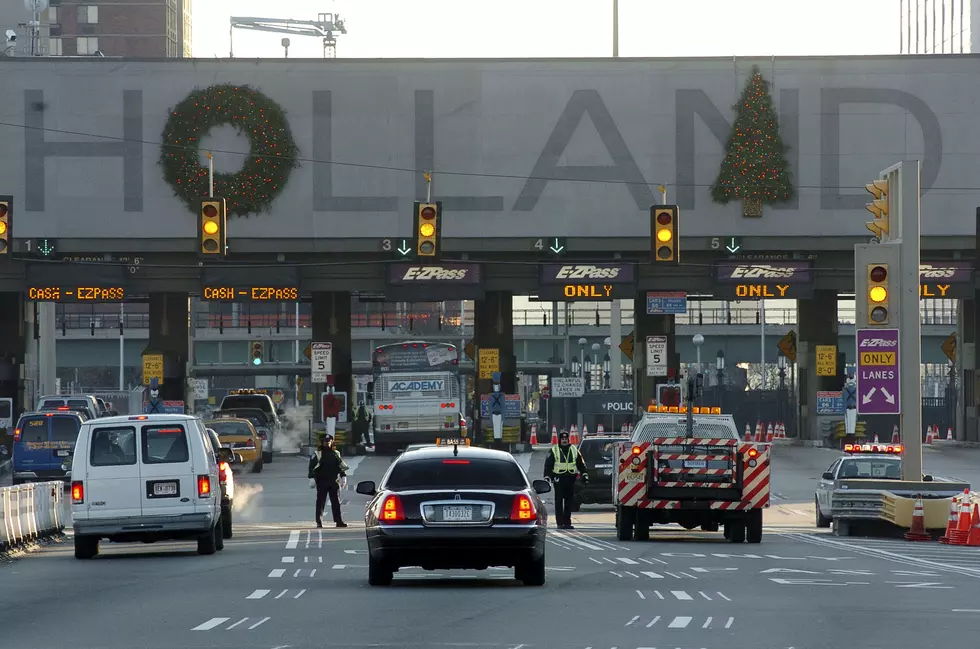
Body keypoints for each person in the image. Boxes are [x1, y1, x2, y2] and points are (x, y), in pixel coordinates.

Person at [543, 431, 588, 530]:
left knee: (569, 502)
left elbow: (580, 463)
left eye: (566, 439)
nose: (564, 441)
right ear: (560, 440)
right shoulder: (554, 450)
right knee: (559, 502)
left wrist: (584, 474)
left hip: (570, 478)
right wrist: (547, 476)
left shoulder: (574, 449)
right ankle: (560, 523)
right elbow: (548, 465)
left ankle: (567, 523)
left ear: (568, 440)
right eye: (562, 439)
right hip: (559, 478)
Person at [308, 434, 349, 528]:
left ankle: (339, 521)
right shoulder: (317, 454)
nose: (327, 443)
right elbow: (311, 467)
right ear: (322, 442)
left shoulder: (336, 453)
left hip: (334, 481)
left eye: (329, 441)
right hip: (321, 481)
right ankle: (319, 521)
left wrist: (343, 477)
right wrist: (311, 478)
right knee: (320, 502)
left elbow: (341, 466)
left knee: (336, 502)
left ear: (332, 442)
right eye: (325, 441)